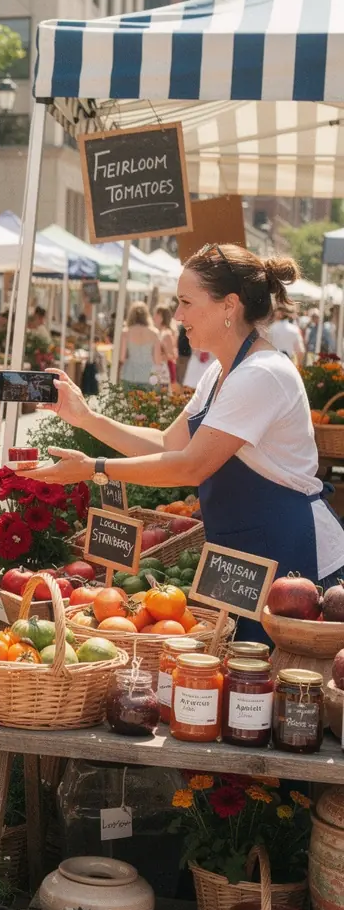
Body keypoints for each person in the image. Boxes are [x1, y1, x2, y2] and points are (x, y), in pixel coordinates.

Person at [21, 243, 344, 646]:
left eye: (186, 302)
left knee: (271, 685)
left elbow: (190, 466)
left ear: (229, 305)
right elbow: (165, 442)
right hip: (237, 555)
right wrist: (86, 417)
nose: (177, 316)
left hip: (290, 557)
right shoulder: (220, 374)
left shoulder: (262, 374)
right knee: (233, 679)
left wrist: (95, 468)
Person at [118, 302, 164, 387]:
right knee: (146, 400)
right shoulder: (154, 333)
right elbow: (157, 360)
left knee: (130, 400)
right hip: (148, 375)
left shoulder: (125, 332)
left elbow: (122, 358)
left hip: (129, 374)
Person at [154, 306, 178, 387]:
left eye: (156, 315)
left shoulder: (167, 334)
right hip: (159, 370)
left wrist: (159, 356)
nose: (153, 317)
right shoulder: (159, 333)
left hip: (165, 372)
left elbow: (173, 355)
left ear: (162, 317)